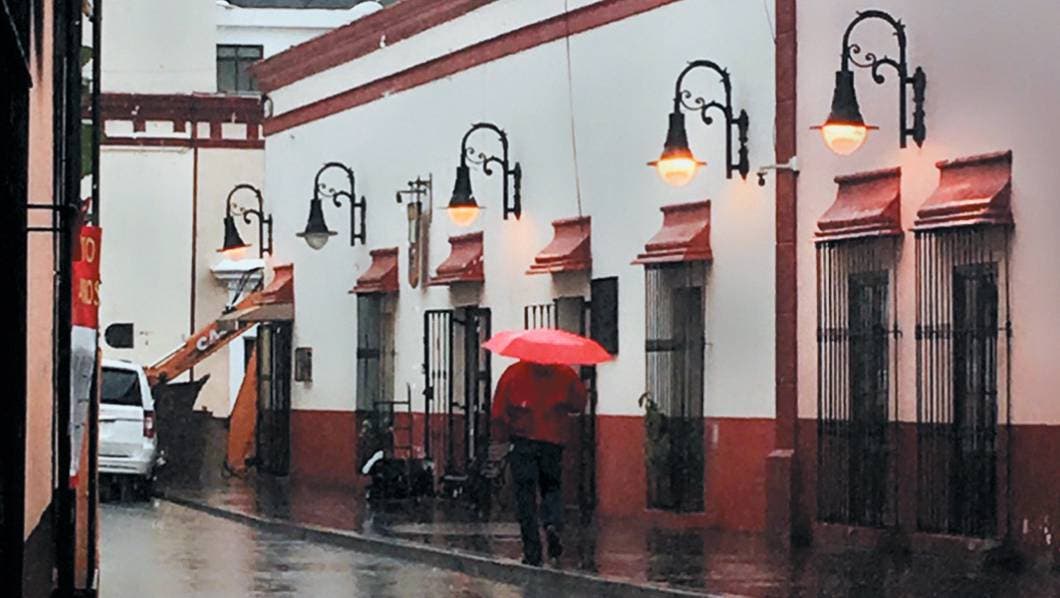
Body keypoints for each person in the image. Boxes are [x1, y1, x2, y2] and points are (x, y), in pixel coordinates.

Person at [488, 360, 587, 566]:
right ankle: (552, 523)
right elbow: (578, 404)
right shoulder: (565, 373)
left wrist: (501, 439)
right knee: (552, 487)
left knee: (525, 498)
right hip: (553, 442)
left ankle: (532, 551)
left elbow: (498, 412)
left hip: (523, 443)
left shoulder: (513, 374)